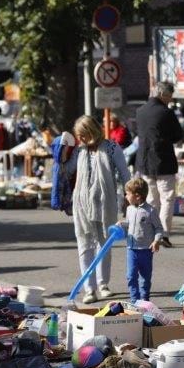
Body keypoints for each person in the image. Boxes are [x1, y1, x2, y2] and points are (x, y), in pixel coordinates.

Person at [64, 115, 131, 303]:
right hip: (82, 204)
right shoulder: (79, 151)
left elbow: (125, 174)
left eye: (83, 135)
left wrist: (130, 196)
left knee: (104, 244)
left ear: (91, 132)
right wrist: (61, 154)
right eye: (79, 136)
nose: (81, 140)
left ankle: (103, 285)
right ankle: (89, 289)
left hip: (105, 203)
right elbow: (68, 170)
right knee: (84, 245)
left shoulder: (111, 148)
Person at [135, 81, 184, 241]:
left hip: (144, 161)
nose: (170, 100)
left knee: (150, 199)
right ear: (163, 94)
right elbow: (178, 136)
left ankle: (150, 232)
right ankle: (163, 233)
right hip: (164, 162)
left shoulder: (140, 111)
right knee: (167, 198)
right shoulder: (166, 113)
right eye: (170, 96)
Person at [119, 177, 164, 303]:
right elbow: (129, 224)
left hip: (145, 250)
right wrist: (121, 224)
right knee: (131, 276)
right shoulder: (129, 209)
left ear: (137, 196)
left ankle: (144, 301)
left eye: (127, 194)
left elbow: (159, 228)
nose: (125, 196)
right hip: (131, 249)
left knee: (145, 278)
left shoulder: (150, 211)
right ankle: (134, 301)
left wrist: (156, 241)